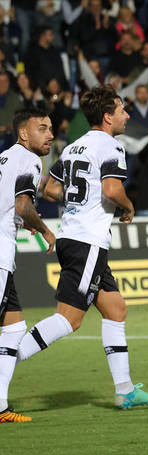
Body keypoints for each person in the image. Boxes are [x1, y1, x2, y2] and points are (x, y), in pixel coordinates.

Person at [17, 86, 148, 410]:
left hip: (72, 235)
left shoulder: (72, 147)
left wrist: (81, 201)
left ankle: (124, 390)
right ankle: (5, 360)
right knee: (69, 319)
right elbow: (112, 189)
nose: (127, 115)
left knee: (115, 308)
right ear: (108, 116)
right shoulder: (112, 146)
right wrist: (128, 207)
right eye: (123, 109)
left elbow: (51, 188)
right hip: (88, 241)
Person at [0, 108, 57, 423]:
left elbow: (13, 206)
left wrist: (26, 221)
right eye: (42, 128)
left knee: (14, 327)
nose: (50, 134)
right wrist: (46, 229)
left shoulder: (4, 158)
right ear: (23, 133)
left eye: (50, 128)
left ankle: (0, 406)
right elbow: (22, 203)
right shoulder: (30, 160)